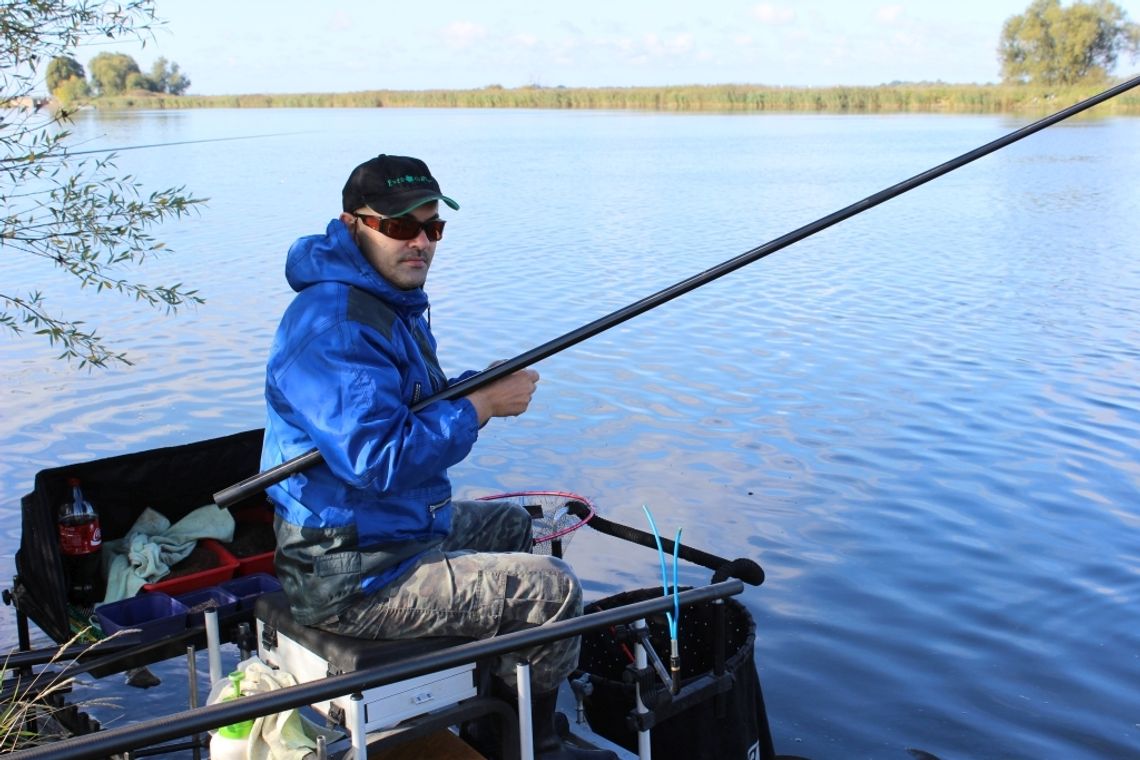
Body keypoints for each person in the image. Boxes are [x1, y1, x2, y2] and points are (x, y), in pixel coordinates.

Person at [261, 154, 615, 760]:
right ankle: (531, 744)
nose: (420, 242)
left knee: (511, 525)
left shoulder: (385, 301)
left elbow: (411, 405)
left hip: (384, 531)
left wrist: (478, 386)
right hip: (350, 571)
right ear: (353, 226)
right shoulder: (337, 325)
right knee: (553, 592)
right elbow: (378, 459)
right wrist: (480, 408)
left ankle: (491, 713)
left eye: (433, 228)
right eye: (400, 228)